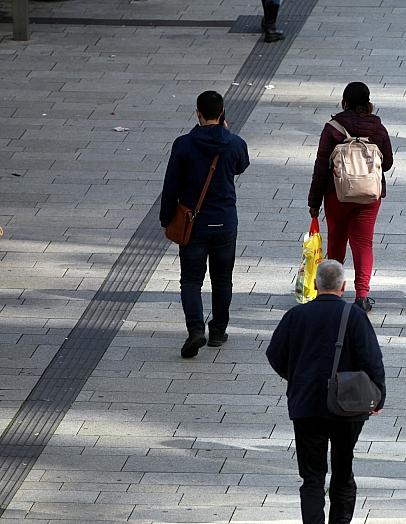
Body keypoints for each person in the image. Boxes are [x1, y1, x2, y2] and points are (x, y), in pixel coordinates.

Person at [266, 260, 386, 524]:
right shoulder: (354, 316)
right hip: (348, 407)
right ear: (343, 287)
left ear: (315, 284)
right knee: (343, 473)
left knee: (312, 478)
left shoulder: (295, 316)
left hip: (306, 405)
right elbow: (372, 360)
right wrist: (378, 397)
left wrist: (297, 378)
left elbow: (274, 354)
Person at [159, 91, 250, 359]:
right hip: (225, 222)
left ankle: (195, 329)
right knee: (222, 279)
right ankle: (218, 331)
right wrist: (227, 134)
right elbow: (241, 166)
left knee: (190, 280)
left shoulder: (184, 145)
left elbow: (170, 186)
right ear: (222, 113)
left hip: (193, 224)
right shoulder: (235, 143)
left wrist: (166, 220)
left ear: (198, 113)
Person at [308, 82, 393, 312]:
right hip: (369, 196)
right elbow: (388, 163)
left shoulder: (332, 128)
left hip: (337, 195)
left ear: (345, 102)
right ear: (368, 103)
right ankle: (362, 295)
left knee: (336, 242)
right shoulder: (377, 128)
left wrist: (314, 202)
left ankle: (330, 293)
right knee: (363, 244)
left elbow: (321, 167)